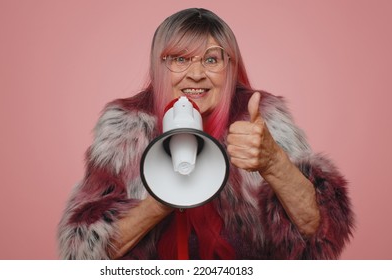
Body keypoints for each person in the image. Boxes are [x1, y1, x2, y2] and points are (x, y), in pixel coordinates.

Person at [57, 8, 354, 260]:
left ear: (229, 67)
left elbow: (320, 236)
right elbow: (85, 252)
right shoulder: (126, 127)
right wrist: (168, 193)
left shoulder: (262, 117)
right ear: (160, 67)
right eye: (181, 59)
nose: (196, 74)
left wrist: (273, 162)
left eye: (211, 60)